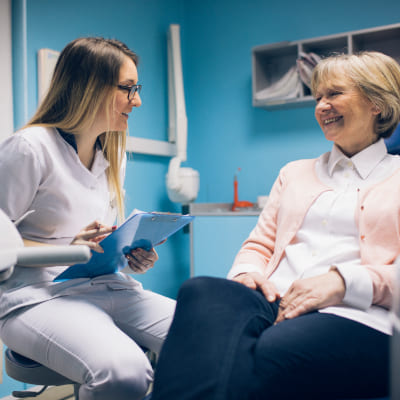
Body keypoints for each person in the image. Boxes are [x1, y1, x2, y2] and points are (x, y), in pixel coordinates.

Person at [151, 51, 400, 400]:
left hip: (360, 313)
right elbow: (260, 244)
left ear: (377, 103)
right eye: (318, 97)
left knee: (264, 350)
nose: (321, 106)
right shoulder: (294, 172)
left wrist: (343, 282)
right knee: (200, 291)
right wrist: (246, 274)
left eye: (334, 93)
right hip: (274, 299)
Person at [0, 37, 175, 400]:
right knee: (123, 371)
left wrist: (127, 253)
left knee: (212, 337)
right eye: (128, 89)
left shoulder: (111, 156)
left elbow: (98, 242)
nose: (137, 101)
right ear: (89, 88)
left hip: (107, 286)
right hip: (35, 297)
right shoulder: (30, 148)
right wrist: (69, 248)